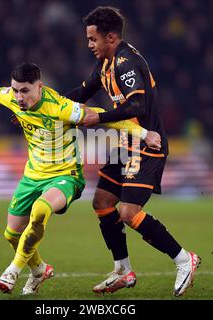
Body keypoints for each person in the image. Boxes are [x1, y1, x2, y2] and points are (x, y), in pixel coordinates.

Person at [0, 62, 161, 295]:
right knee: (12, 234)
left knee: (40, 209)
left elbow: (106, 116)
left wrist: (144, 133)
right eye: (15, 90)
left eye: (25, 91)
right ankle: (38, 269)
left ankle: (12, 272)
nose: (18, 97)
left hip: (66, 177)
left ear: (40, 87)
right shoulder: (11, 98)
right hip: (32, 177)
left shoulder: (61, 107)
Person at [65, 6, 201, 297]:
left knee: (128, 212)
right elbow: (82, 91)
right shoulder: (105, 64)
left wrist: (98, 117)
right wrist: (44, 106)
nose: (89, 45)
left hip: (147, 145)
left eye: (93, 39)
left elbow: (136, 105)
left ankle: (183, 259)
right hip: (126, 145)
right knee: (102, 201)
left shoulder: (126, 63)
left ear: (110, 38)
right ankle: (123, 270)